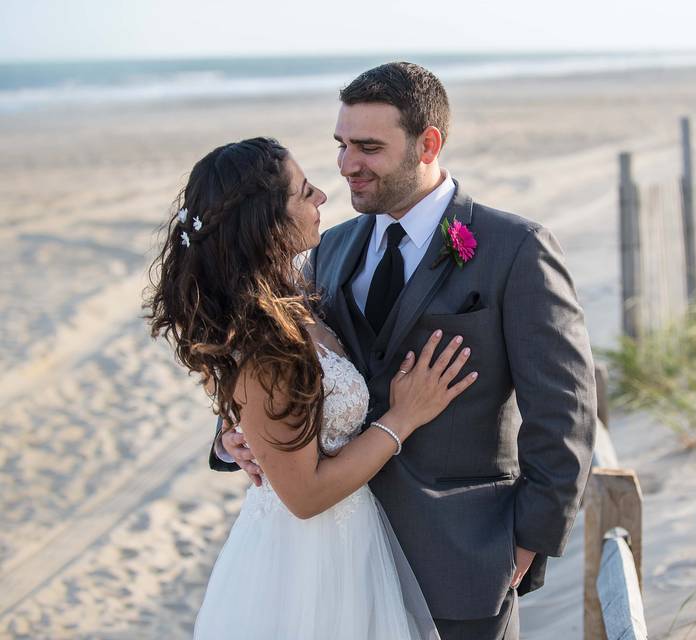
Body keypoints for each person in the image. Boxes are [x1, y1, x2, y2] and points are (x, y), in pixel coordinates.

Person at [214, 63, 598, 640]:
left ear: (428, 144)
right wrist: (231, 438)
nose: (347, 165)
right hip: (337, 561)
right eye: (342, 145)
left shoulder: (515, 249)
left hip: (463, 562)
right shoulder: (330, 248)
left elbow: (564, 410)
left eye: (368, 147)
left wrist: (527, 543)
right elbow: (273, 361)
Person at [146, 137, 478, 638]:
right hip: (305, 560)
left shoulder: (295, 293)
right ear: (268, 223)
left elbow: (279, 413)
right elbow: (305, 495)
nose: (323, 196)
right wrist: (402, 418)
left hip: (355, 541)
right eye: (303, 193)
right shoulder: (265, 341)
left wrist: (236, 436)